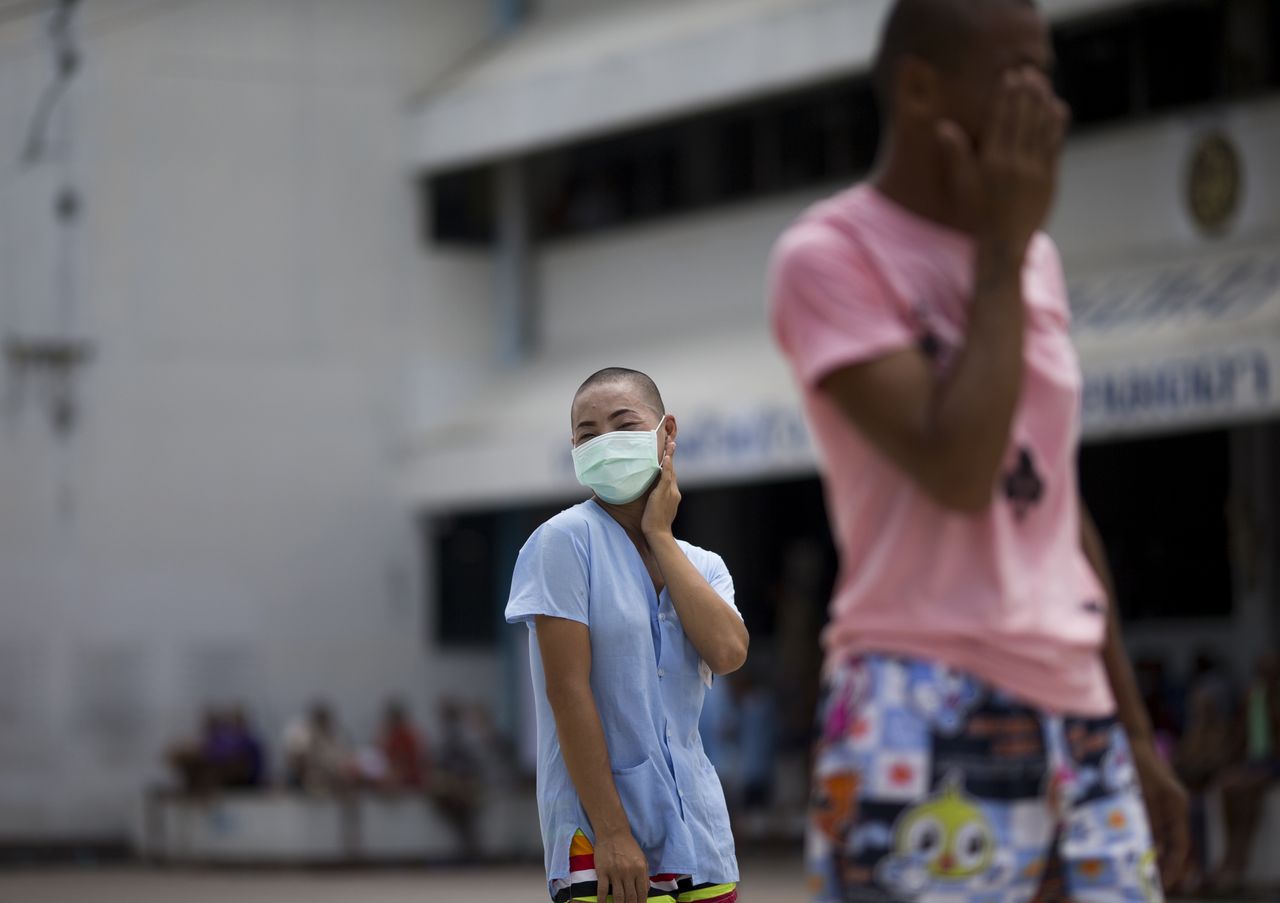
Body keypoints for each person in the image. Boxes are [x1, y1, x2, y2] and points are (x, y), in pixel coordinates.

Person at [767, 1, 1189, 899]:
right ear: (920, 88)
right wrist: (999, 249)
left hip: (1077, 705)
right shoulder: (831, 257)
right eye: (1014, 74)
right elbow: (959, 469)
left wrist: (1134, 731)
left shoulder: (1034, 256)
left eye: (1047, 74)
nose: (1043, 104)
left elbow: (1055, 514)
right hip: (918, 692)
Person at [506, 367, 748, 903]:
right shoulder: (563, 542)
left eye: (623, 424)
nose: (605, 442)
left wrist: (659, 533)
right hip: (601, 836)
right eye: (587, 434)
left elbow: (729, 653)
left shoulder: (703, 566)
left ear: (666, 433)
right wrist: (613, 832)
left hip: (698, 827)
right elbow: (567, 692)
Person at [1211, 650, 1280, 892]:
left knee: (1248, 786)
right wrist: (1229, 761)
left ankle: (1239, 855)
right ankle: (1232, 852)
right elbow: (1241, 733)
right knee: (1229, 784)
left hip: (1274, 761)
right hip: (1257, 760)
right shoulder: (1254, 696)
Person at [281, 701, 351, 792]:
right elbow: (296, 759)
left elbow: (341, 760)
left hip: (327, 775)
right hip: (301, 777)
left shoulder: (335, 736)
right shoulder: (299, 732)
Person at [379, 698, 429, 789]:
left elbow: (407, 763)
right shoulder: (392, 736)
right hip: (397, 777)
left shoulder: (407, 737)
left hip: (408, 781)